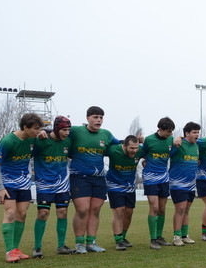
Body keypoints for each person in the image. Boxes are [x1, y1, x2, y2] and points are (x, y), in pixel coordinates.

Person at [68, 106, 120, 254]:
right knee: (82, 210)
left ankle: (91, 242)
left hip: (98, 179)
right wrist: (43, 133)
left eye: (101, 117)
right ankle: (79, 243)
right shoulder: (76, 131)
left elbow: (119, 144)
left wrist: (136, 141)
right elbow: (59, 134)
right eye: (95, 117)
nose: (98, 120)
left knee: (95, 210)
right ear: (87, 118)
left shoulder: (106, 134)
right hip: (79, 177)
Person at [0, 113, 44, 262]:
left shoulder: (32, 140)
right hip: (8, 183)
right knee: (10, 213)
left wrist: (41, 136)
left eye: (39, 128)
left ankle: (15, 249)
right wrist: (0, 187)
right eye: (35, 128)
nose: (37, 131)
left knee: (22, 214)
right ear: (25, 127)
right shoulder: (8, 141)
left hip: (24, 183)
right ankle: (9, 252)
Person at [32, 115, 75, 257]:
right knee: (43, 213)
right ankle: (37, 247)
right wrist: (40, 132)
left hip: (62, 184)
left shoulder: (68, 141)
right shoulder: (41, 140)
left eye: (68, 130)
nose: (67, 133)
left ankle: (61, 246)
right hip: (44, 184)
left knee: (62, 212)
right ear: (56, 129)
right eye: (64, 130)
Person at [142, 117, 176, 249]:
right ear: (160, 129)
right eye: (168, 131)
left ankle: (160, 236)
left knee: (162, 208)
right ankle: (153, 239)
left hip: (164, 177)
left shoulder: (171, 140)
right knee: (154, 207)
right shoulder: (149, 140)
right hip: (150, 177)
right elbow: (142, 154)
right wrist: (143, 161)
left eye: (172, 132)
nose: (170, 134)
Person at [106, 135, 144, 250]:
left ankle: (123, 237)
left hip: (130, 186)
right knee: (119, 210)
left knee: (128, 212)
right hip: (114, 184)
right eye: (132, 148)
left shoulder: (140, 150)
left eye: (136, 148)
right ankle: (118, 240)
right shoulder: (113, 150)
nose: (135, 151)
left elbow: (153, 151)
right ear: (124, 146)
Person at [169, 122, 200, 245]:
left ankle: (184, 235)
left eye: (198, 132)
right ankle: (176, 236)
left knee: (186, 209)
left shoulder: (197, 146)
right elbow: (169, 153)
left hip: (191, 184)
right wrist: (178, 138)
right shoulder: (179, 144)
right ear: (187, 133)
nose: (197, 134)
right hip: (177, 183)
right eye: (194, 132)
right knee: (180, 209)